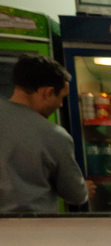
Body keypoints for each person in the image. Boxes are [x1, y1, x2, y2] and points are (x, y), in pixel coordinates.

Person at [0, 55, 92, 213]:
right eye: (62, 97)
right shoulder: (53, 135)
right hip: (34, 230)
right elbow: (76, 195)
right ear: (48, 93)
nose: (61, 104)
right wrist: (85, 188)